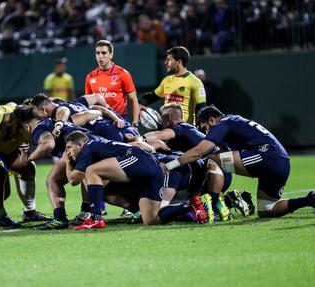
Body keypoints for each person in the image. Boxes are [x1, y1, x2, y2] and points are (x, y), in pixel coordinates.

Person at [164, 105, 315, 218]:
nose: (206, 133)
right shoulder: (234, 121)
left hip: (267, 156)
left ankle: (215, 207)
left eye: (205, 129)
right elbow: (223, 153)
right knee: (267, 210)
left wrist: (169, 165)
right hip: (282, 162)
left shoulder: (223, 123)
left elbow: (199, 152)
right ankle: (308, 199)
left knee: (213, 161)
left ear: (211, 119)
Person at [63, 131, 197, 228]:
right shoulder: (100, 146)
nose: (67, 152)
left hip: (140, 161)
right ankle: (192, 205)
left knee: (91, 170)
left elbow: (74, 180)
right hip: (152, 168)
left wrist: (67, 162)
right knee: (151, 219)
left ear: (80, 144)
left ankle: (96, 218)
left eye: (69, 147)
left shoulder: (88, 147)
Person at [142, 46, 206, 125]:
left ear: (179, 62)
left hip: (186, 129)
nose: (165, 62)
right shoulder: (167, 80)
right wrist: (138, 103)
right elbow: (152, 96)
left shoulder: (195, 82)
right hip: (167, 127)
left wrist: (198, 128)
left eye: (169, 59)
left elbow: (201, 108)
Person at [85, 40, 140, 126]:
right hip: (98, 121)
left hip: (120, 120)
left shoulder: (122, 74)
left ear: (111, 54)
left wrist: (135, 123)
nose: (100, 56)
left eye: (104, 53)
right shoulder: (90, 76)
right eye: (98, 53)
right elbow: (88, 104)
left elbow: (133, 100)